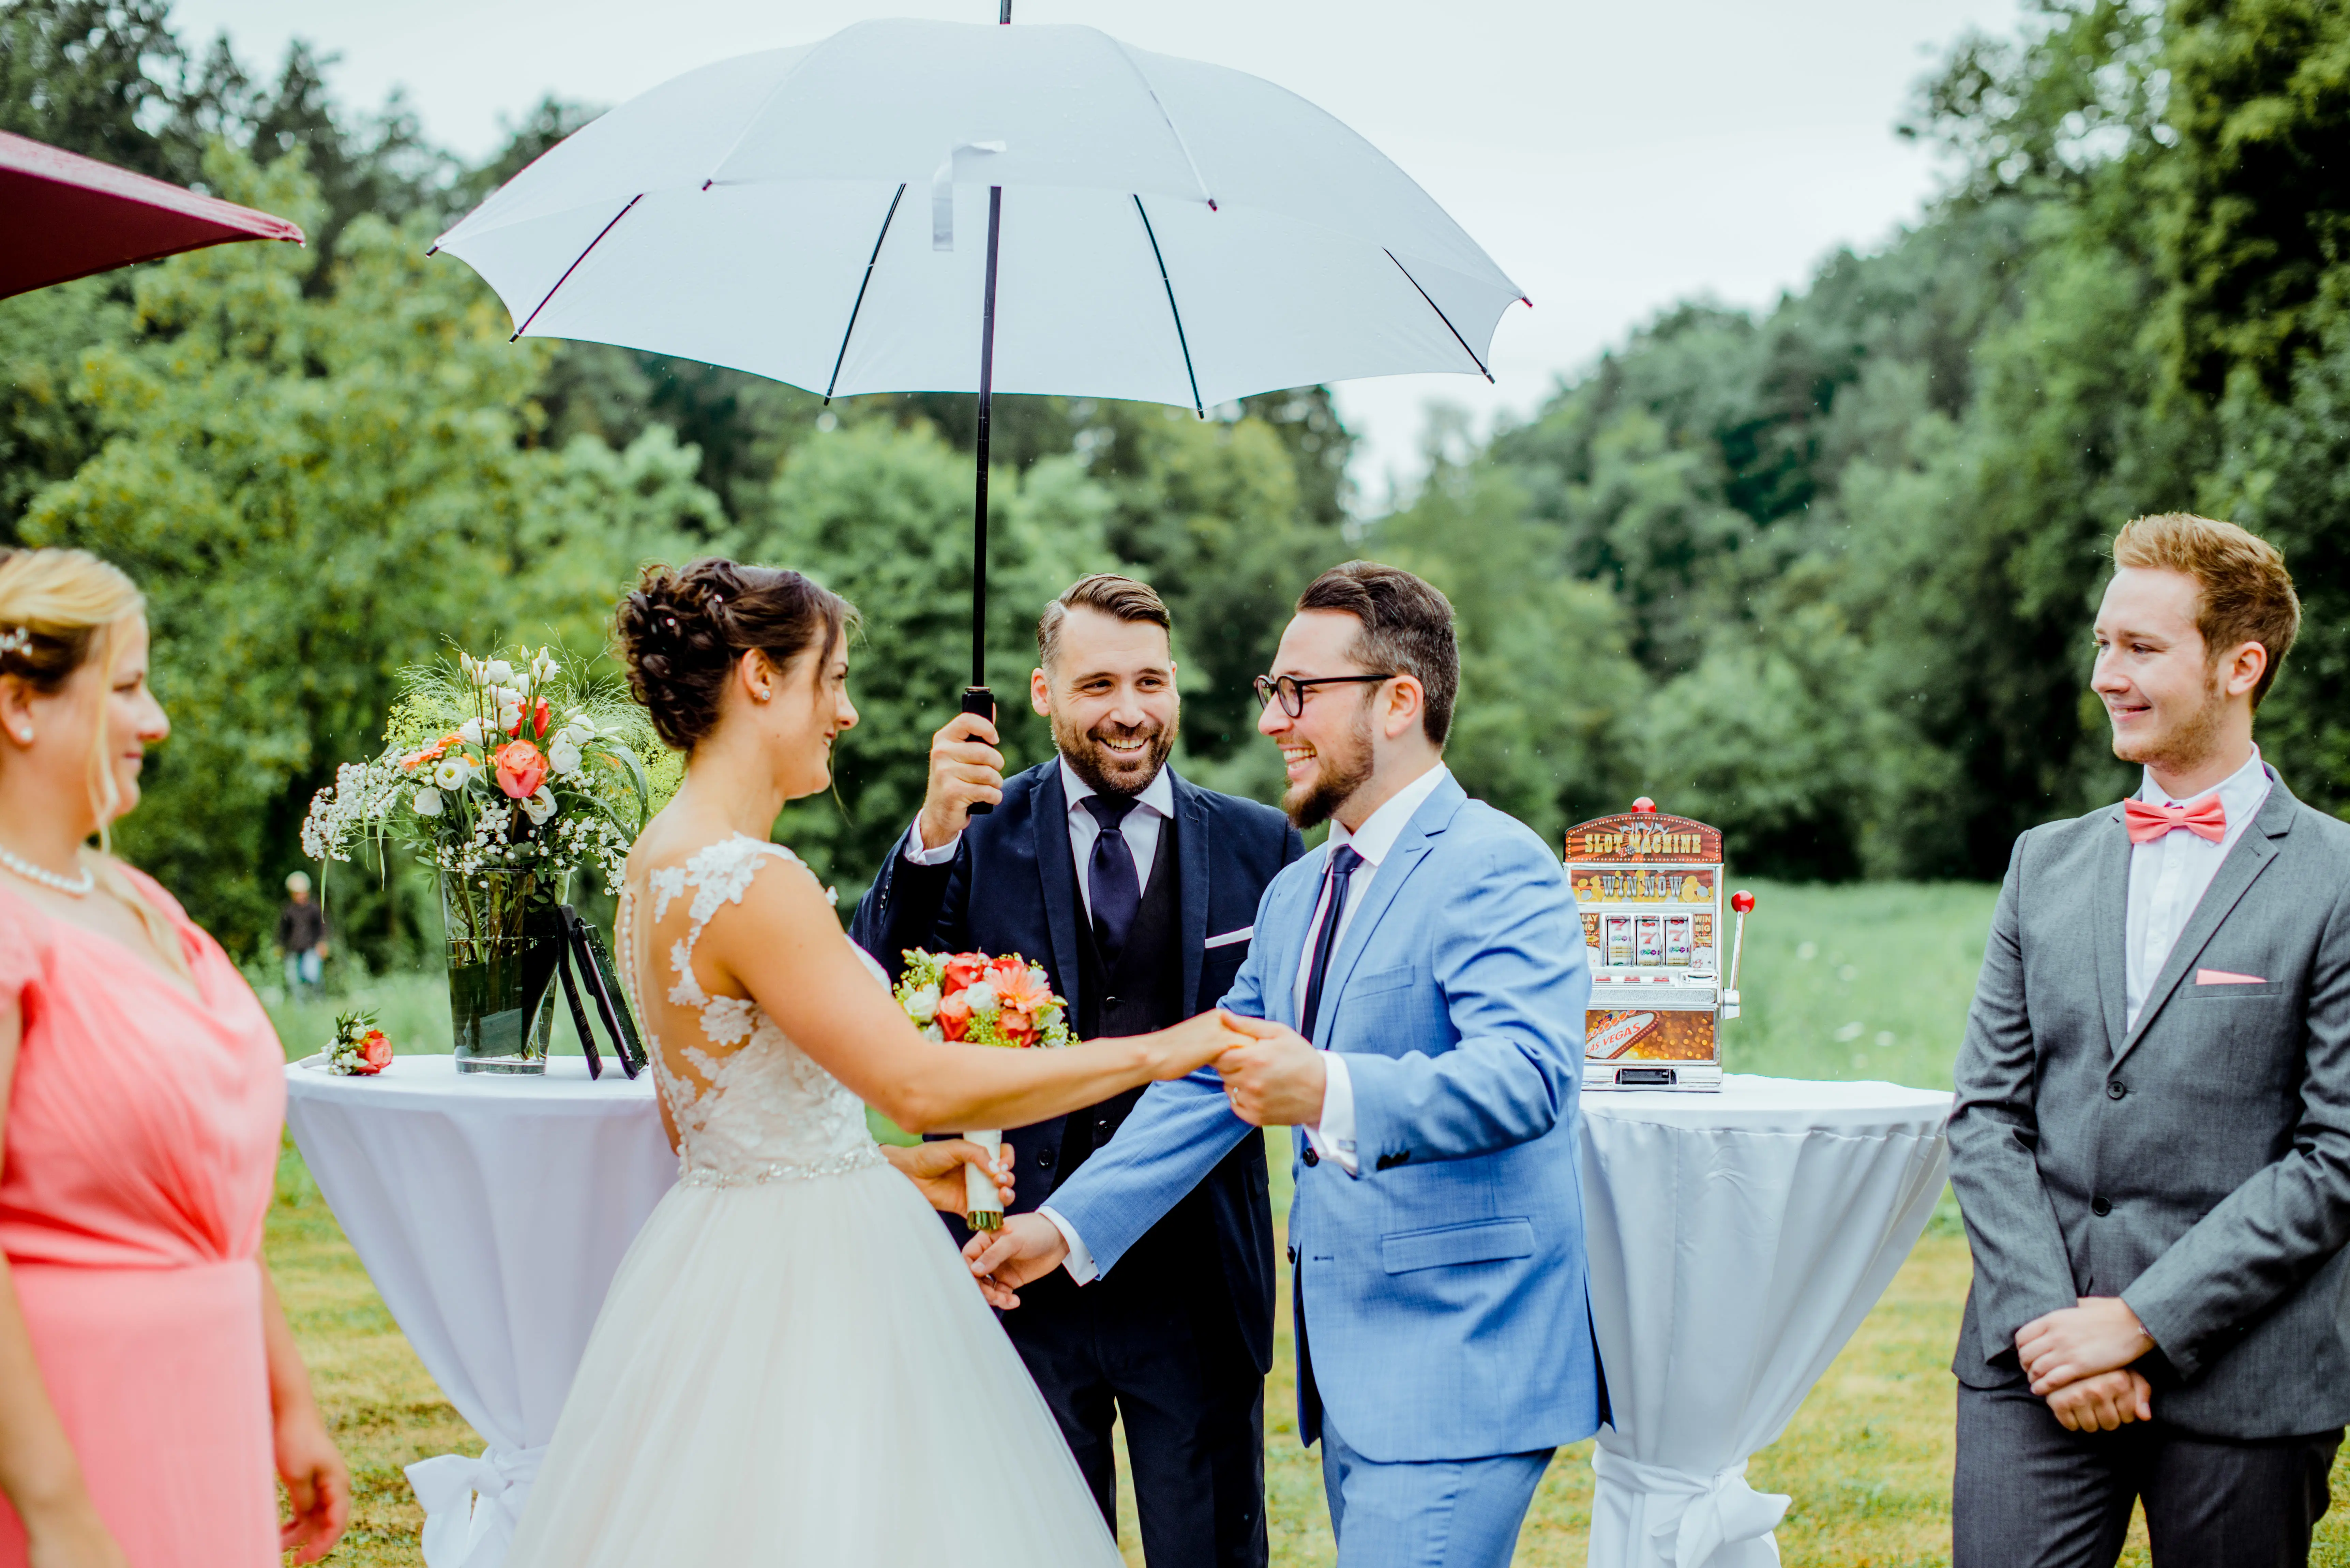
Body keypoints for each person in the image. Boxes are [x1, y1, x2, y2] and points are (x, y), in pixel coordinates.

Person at [503, 559, 1252, 1567]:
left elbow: (705, 1129)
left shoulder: (658, 863)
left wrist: (899, 1167)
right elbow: (915, 1084)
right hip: (819, 1288)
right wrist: (1163, 1050)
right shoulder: (755, 882)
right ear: (762, 678)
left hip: (722, 1271)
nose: (847, 714)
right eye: (835, 679)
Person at [970, 562, 1602, 1568]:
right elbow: (1207, 1083)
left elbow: (1529, 1076)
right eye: (1274, 692)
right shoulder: (1301, 890)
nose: (1273, 720)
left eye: (1300, 693)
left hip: (1458, 1358)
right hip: (1354, 1372)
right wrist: (1064, 1226)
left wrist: (1330, 1089)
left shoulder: (1498, 862)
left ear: (1400, 702)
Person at [849, 573, 1302, 1567]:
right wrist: (928, 837)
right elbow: (866, 985)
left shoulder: (1260, 845)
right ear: (1043, 692)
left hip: (1198, 1282)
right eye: (1098, 684)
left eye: (1152, 681)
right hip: (1009, 1274)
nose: (1131, 711)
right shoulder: (971, 828)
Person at [1946, 513, 2350, 1567]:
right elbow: (1987, 1117)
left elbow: (2337, 1154)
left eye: (2140, 648)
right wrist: (2053, 1329)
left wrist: (2142, 1321)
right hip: (2031, 1367)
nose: (2104, 676)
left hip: (2247, 1375)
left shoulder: (2338, 881)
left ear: (2239, 665)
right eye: (2101, 643)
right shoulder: (2045, 863)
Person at [0, 547, 349, 1568]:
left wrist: (286, 1395)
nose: (155, 721)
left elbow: (211, 1193)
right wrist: (56, 1506)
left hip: (211, 1409)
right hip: (71, 1424)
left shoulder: (143, 903)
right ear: (22, 704)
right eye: (125, 687)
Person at [276, 871, 328, 1000]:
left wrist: (322, 943)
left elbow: (322, 928)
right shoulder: (289, 911)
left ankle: (318, 1002)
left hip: (311, 948)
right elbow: (283, 931)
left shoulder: (315, 909)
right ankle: (300, 1006)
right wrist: (280, 946)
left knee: (312, 976)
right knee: (293, 979)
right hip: (293, 950)